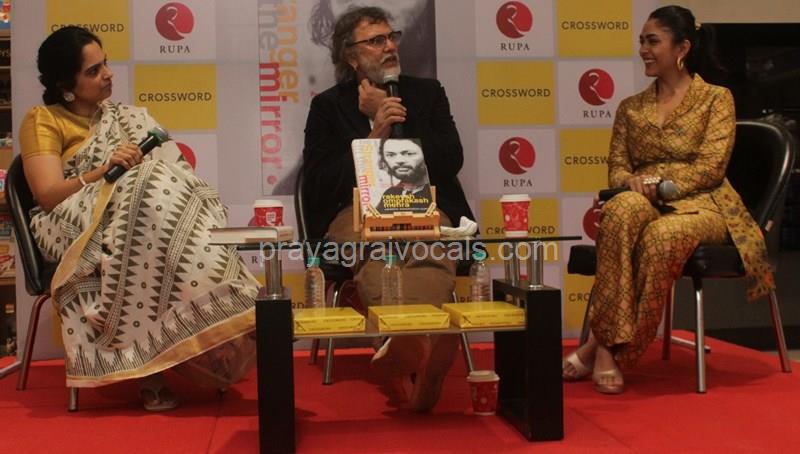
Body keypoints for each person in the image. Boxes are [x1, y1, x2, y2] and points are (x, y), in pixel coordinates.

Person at [19, 26, 260, 410]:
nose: (107, 74)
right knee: (143, 183)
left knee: (165, 189)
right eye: (93, 71)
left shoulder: (127, 118)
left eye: (106, 63)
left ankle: (221, 311)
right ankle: (221, 318)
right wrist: (105, 171)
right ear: (67, 85)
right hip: (68, 222)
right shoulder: (43, 120)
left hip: (133, 213)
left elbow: (173, 174)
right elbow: (47, 195)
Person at [561, 5, 775, 395]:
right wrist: (630, 182)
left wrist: (660, 185)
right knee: (620, 209)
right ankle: (606, 346)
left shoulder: (716, 99)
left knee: (662, 236)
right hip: (642, 199)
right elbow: (618, 168)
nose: (643, 49)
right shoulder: (630, 108)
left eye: (652, 41)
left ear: (682, 48)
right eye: (641, 41)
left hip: (704, 204)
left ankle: (605, 348)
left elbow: (711, 168)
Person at [301, 6, 474, 411]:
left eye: (391, 37)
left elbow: (450, 159)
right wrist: (375, 131)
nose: (390, 46)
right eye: (376, 40)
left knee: (428, 245)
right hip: (356, 210)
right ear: (351, 56)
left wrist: (399, 122)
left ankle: (406, 341)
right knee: (377, 247)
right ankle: (422, 347)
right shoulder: (328, 106)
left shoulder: (428, 93)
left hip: (422, 203)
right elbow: (319, 184)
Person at [376, 138, 433, 213]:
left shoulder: (433, 193)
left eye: (409, 154)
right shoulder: (390, 193)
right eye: (391, 155)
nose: (399, 161)